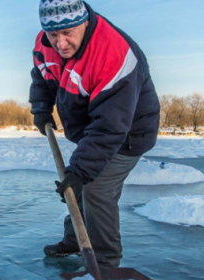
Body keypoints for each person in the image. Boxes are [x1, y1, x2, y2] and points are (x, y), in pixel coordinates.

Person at [29, 0, 160, 270]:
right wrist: (41, 107)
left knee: (95, 188)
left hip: (127, 134)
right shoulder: (45, 43)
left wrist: (81, 171)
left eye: (68, 33)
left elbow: (110, 127)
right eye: (53, 35)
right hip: (92, 128)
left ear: (84, 21)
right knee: (75, 182)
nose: (60, 44)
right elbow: (42, 74)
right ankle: (76, 239)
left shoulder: (113, 54)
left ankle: (104, 266)